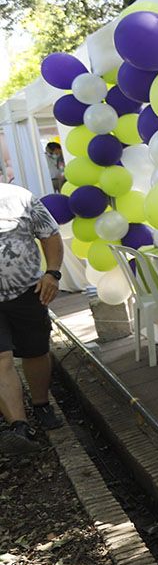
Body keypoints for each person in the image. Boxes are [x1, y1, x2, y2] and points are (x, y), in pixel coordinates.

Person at [0, 182, 64, 455]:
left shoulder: (20, 197)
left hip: (28, 291)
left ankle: (41, 404)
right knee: (1, 357)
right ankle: (19, 427)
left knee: (36, 351)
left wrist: (52, 273)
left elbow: (49, 235)